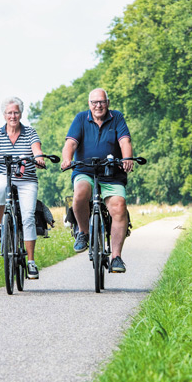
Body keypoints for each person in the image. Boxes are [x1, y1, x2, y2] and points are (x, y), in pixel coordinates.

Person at [61, 88, 134, 273]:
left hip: (111, 172)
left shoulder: (116, 117)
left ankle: (116, 257)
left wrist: (126, 158)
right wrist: (67, 159)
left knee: (119, 206)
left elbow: (124, 141)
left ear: (107, 103)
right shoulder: (80, 119)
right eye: (94, 102)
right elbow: (71, 143)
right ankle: (83, 233)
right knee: (80, 194)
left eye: (101, 102)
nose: (98, 106)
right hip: (85, 169)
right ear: (89, 104)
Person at [0, 96, 46, 280]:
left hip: (27, 180)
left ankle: (31, 262)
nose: (13, 116)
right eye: (9, 113)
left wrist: (39, 158)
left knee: (28, 217)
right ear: (4, 115)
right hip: (4, 176)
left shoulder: (30, 132)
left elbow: (36, 149)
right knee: (0, 188)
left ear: (21, 114)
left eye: (16, 112)